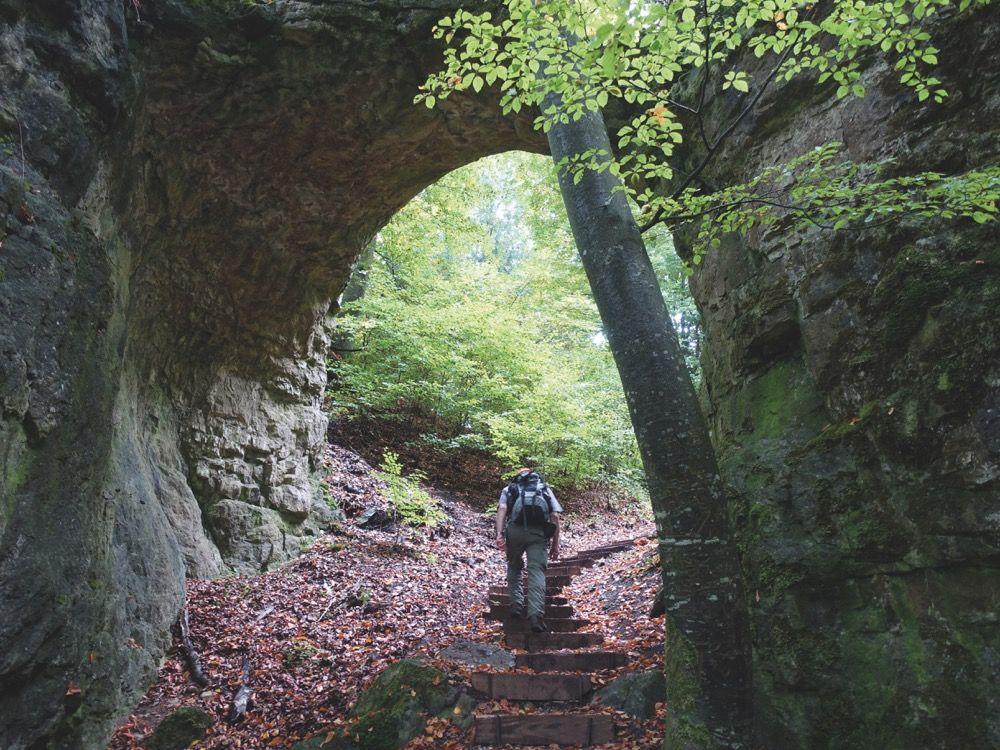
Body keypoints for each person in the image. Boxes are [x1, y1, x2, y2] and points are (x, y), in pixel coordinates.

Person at [494, 467, 563, 633]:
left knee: (514, 565)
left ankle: (516, 605)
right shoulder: (544, 488)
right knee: (537, 571)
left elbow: (502, 509)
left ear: (519, 476)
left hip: (515, 532)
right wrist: (555, 544)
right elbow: (555, 516)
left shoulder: (509, 488)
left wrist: (499, 534)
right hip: (538, 534)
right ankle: (535, 616)